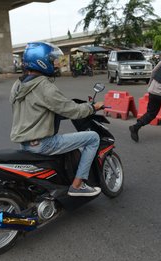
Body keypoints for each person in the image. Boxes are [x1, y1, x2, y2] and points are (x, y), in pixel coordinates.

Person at [10, 42, 105, 197]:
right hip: (43, 144)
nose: (55, 64)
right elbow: (71, 110)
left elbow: (32, 109)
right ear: (41, 61)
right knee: (93, 138)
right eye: (51, 59)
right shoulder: (44, 86)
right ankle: (78, 185)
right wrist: (93, 107)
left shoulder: (17, 85)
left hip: (25, 144)